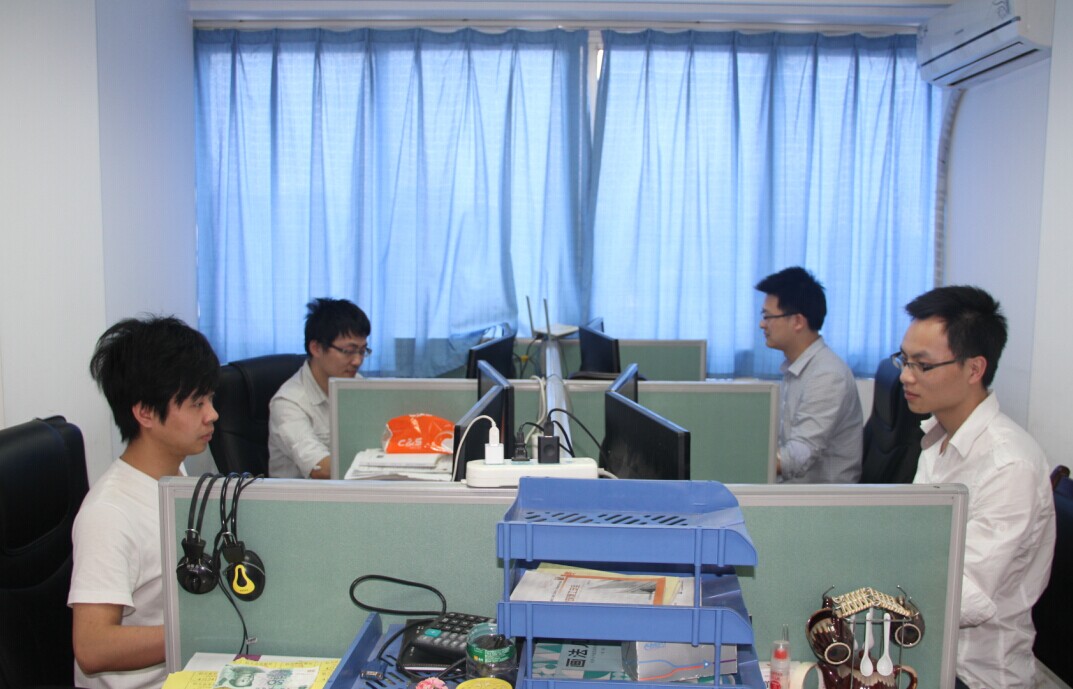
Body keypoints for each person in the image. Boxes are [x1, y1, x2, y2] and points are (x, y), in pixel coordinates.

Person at [900, 286, 1054, 689]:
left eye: (922, 365)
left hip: (971, 673)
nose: (905, 376)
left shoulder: (1009, 465)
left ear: (974, 369)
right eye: (904, 360)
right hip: (923, 650)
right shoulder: (937, 438)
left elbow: (965, 597)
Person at [69, 317, 220, 689]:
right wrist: (209, 630)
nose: (212, 414)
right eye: (197, 403)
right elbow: (92, 648)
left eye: (210, 399)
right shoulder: (109, 513)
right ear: (145, 413)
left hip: (193, 671)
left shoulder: (177, 475)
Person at [755, 266, 862, 482]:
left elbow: (797, 457)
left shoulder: (828, 376)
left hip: (820, 499)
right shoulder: (797, 367)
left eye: (768, 317)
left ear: (797, 321)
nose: (762, 324)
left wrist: (742, 461)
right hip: (795, 491)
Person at [268, 298, 371, 478]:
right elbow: (320, 468)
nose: (357, 361)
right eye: (349, 351)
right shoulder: (288, 403)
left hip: (350, 490)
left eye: (362, 351)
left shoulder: (356, 383)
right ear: (316, 348)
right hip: (303, 495)